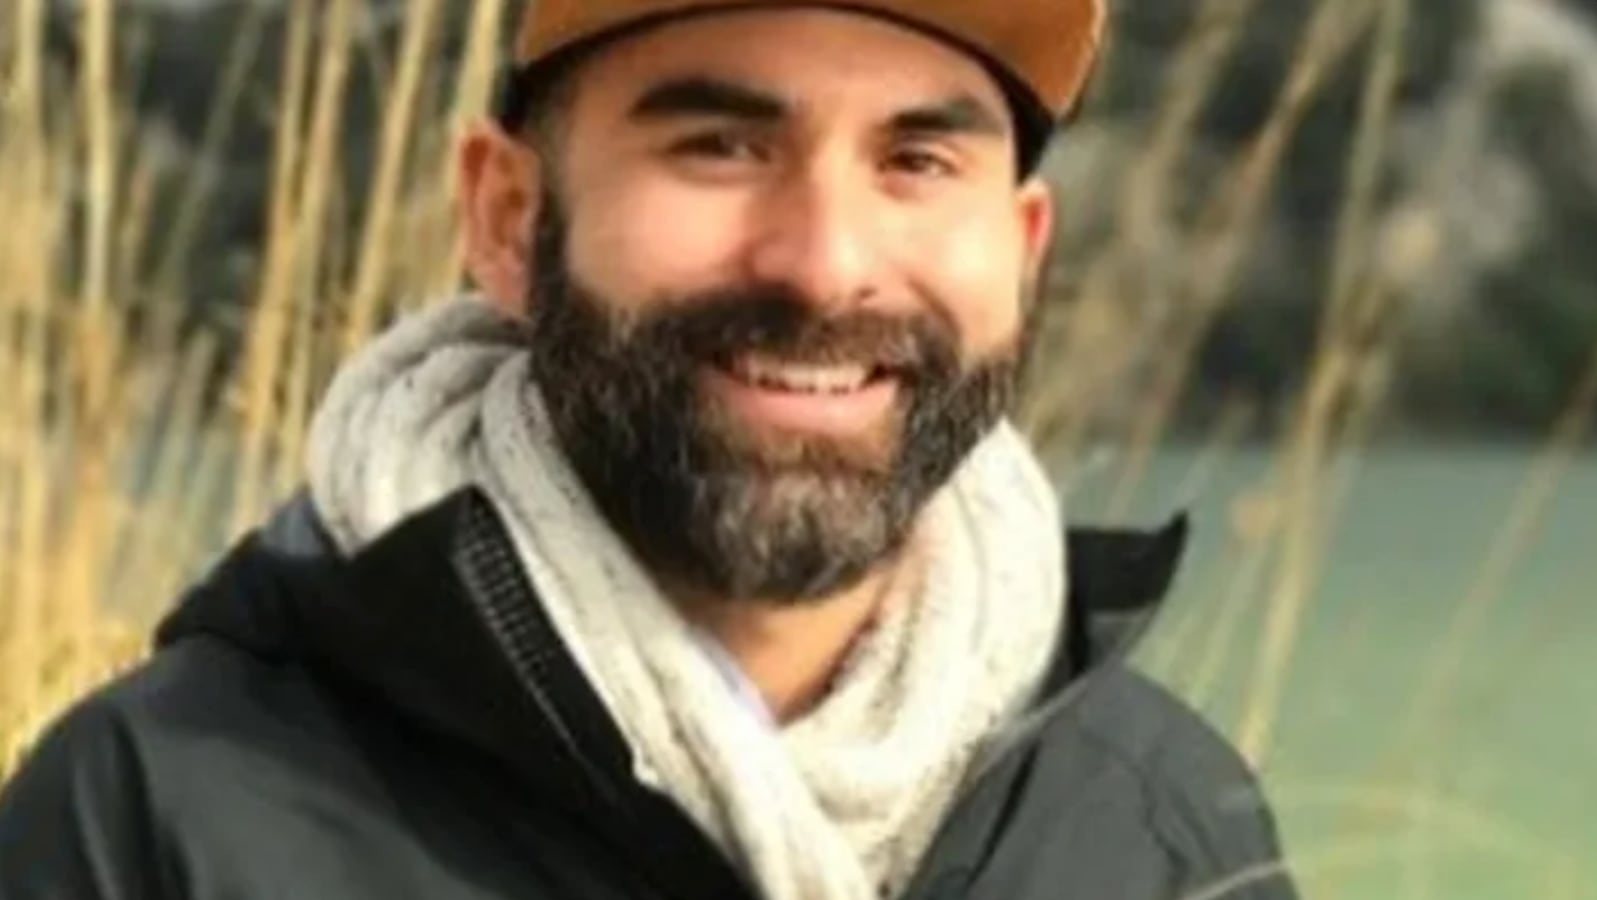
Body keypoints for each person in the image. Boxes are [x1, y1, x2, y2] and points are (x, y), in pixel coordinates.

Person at [0, 2, 1299, 898]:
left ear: (1020, 254)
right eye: (721, 146)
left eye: (914, 160)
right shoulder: (162, 816)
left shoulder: (1164, 827)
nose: (826, 262)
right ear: (508, 217)